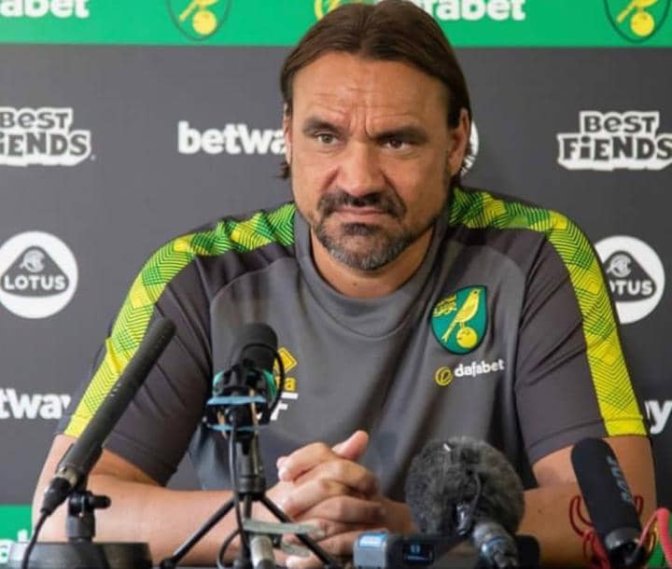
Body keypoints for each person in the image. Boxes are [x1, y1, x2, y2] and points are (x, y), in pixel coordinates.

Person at [33, 1, 656, 567]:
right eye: (326, 136)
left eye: (397, 141)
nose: (358, 179)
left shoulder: (539, 256)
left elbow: (620, 513)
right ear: (287, 134)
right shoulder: (198, 275)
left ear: (456, 140)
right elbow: (60, 513)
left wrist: (395, 530)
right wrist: (274, 518)